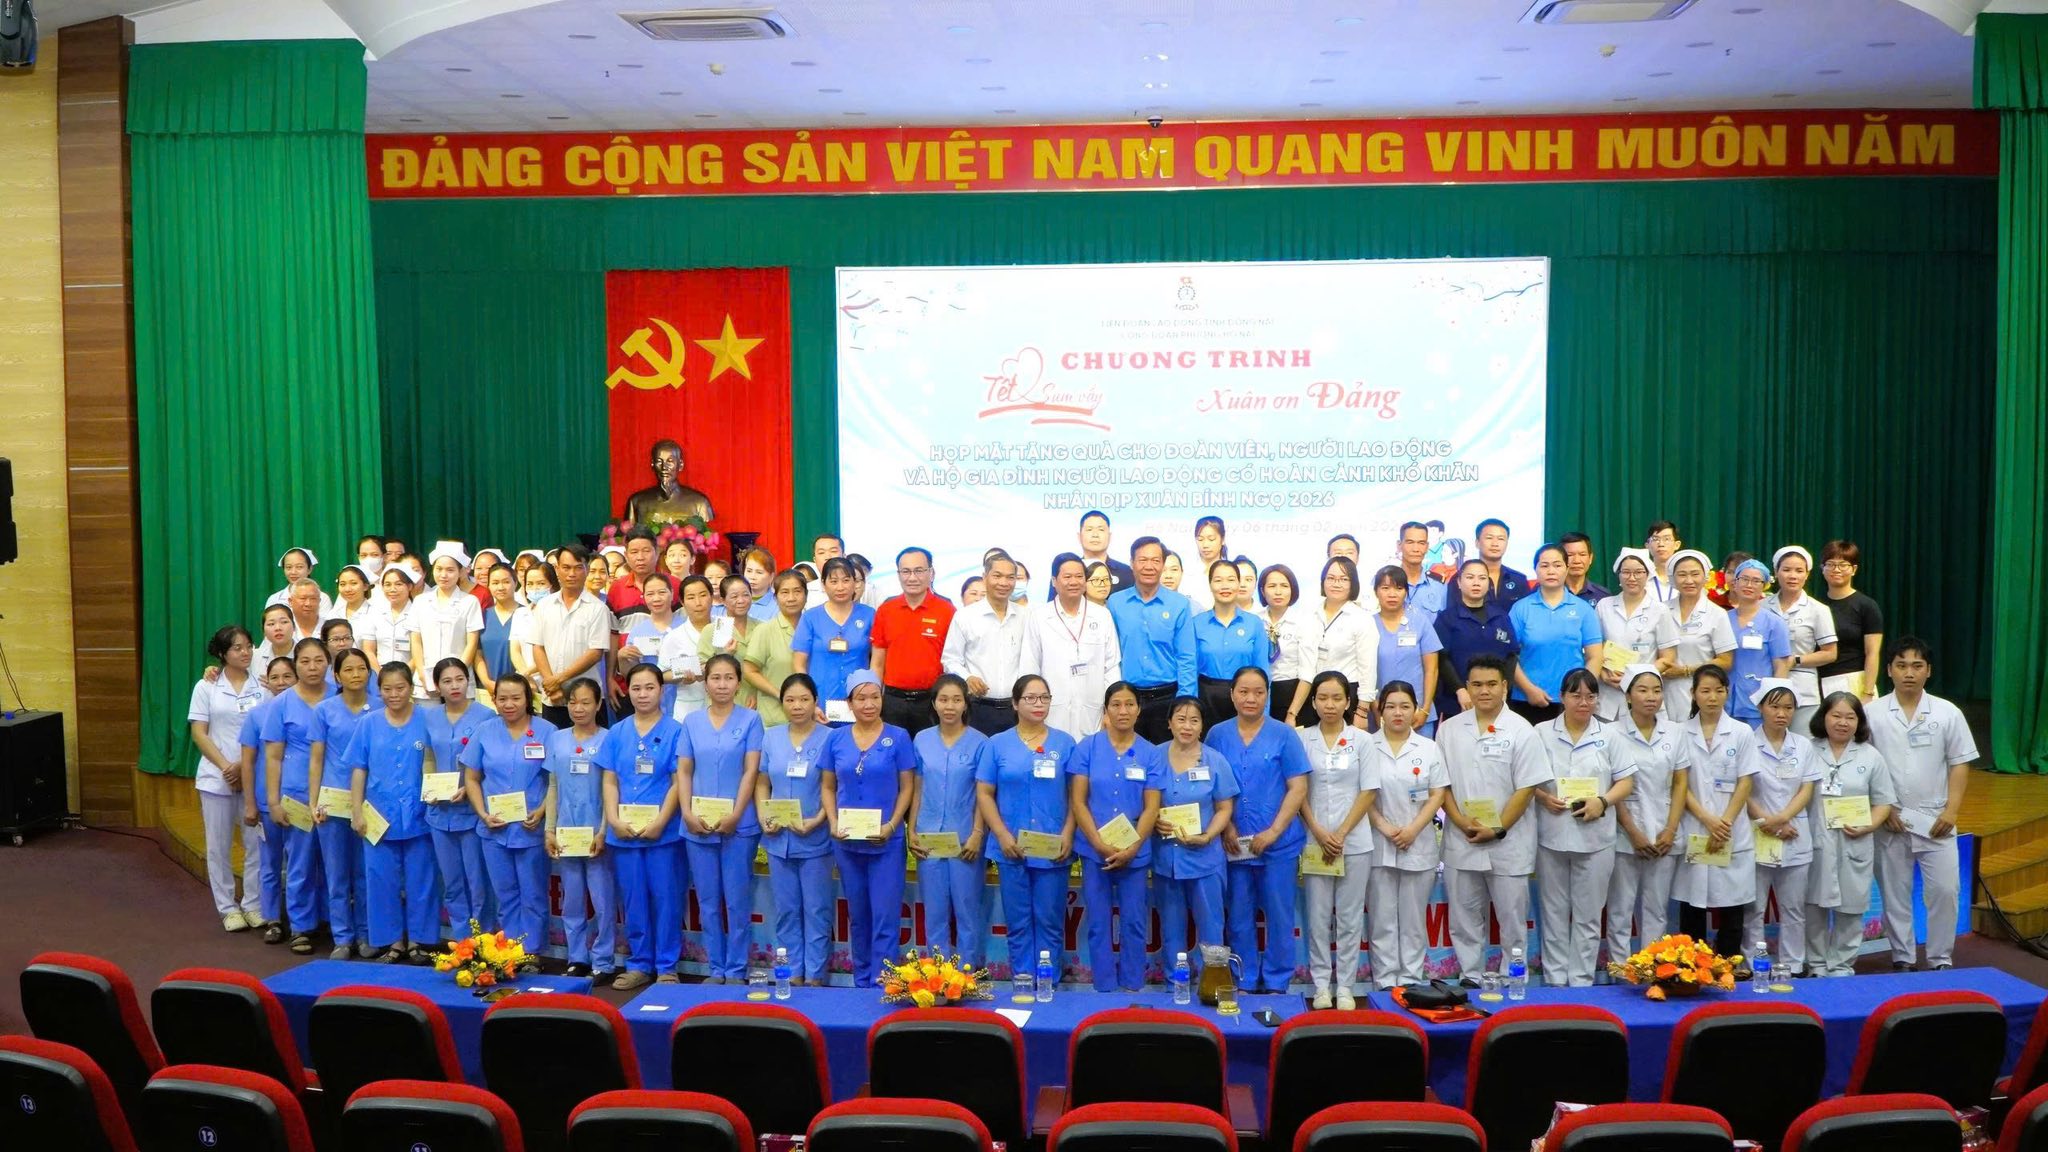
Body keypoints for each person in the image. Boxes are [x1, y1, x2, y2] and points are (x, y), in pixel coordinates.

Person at [1438, 654, 1551, 982]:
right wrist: (1459, 821)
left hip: (1508, 842)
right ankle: (1470, 976)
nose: (1484, 691)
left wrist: (1498, 828)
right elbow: (1441, 784)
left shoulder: (1522, 730)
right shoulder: (1449, 729)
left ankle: (1514, 979)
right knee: (1464, 917)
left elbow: (1527, 788)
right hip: (1463, 838)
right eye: (1476, 684)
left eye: (1491, 684)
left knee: (1512, 920)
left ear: (1504, 686)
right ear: (1467, 687)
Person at [1870, 636, 1976, 971]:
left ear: (1928, 671)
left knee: (1945, 891)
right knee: (1894, 894)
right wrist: (1883, 808)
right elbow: (1864, 765)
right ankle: (1902, 957)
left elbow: (1960, 762)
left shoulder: (1947, 712)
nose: (1909, 673)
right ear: (1889, 670)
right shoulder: (1871, 713)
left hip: (1936, 819)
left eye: (1917, 666)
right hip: (1891, 819)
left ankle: (1940, 958)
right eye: (1901, 665)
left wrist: (1952, 810)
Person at [1207, 666, 1313, 994]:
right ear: (1232, 695)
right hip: (1234, 844)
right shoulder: (1217, 735)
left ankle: (1278, 981)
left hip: (1279, 845)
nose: (1250, 698)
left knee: (1280, 915)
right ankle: (1245, 978)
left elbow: (1298, 787)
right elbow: (1210, 786)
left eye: (1258, 692)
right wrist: (1226, 827)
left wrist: (1274, 832)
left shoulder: (1284, 735)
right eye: (1243, 691)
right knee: (1239, 916)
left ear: (1268, 695)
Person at [1532, 669, 1635, 987]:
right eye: (1576, 695)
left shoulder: (1611, 735)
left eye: (1591, 696)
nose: (1584, 702)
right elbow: (1525, 779)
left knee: (1589, 916)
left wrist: (1603, 802)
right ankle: (1555, 982)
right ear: (1562, 697)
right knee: (1554, 913)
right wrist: (1543, 797)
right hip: (1552, 835)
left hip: (1596, 838)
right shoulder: (1541, 733)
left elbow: (1626, 782)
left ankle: (1580, 982)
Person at [975, 673, 1078, 982]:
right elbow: (984, 793)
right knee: (1018, 922)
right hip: (1011, 848)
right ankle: (1022, 982)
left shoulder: (1065, 743)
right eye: (1030, 698)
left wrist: (1068, 833)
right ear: (1015, 703)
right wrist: (1002, 835)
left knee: (1050, 921)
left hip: (1052, 849)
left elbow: (1076, 795)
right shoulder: (997, 744)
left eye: (1044, 697)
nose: (1038, 703)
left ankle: (1048, 984)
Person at [819, 671, 918, 986]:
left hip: (886, 842)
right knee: (858, 917)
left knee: (885, 918)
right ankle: (861, 981)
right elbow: (827, 787)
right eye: (861, 698)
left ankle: (883, 982)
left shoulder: (898, 737)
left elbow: (907, 787)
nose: (869, 704)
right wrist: (833, 822)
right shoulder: (835, 739)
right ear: (849, 703)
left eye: (874, 697)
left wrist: (893, 824)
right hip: (847, 843)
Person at [341, 661, 440, 963]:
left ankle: (420, 941)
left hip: (420, 814)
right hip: (378, 816)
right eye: (387, 689)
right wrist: (356, 812)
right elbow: (359, 769)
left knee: (422, 880)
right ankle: (392, 942)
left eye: (400, 688)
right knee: (381, 881)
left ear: (411, 688)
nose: (394, 694)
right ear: (379, 690)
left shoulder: (428, 720)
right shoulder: (368, 723)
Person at [677, 654, 765, 983]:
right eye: (716, 678)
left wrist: (736, 814)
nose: (722, 684)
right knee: (708, 901)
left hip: (739, 826)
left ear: (739, 683)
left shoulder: (751, 720)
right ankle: (716, 969)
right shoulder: (692, 722)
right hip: (697, 825)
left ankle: (737, 969)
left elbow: (751, 771)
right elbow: (684, 771)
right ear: (705, 683)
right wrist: (686, 812)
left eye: (729, 678)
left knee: (737, 900)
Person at [1068, 681, 1160, 991]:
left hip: (1135, 852)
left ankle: (1133, 984)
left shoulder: (1150, 753)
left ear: (1139, 709)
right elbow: (1078, 801)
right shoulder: (1087, 748)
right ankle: (1104, 986)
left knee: (1134, 922)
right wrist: (1097, 843)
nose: (1123, 710)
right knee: (1098, 921)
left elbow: (1151, 807)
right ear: (1106, 710)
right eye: (1116, 704)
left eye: (1129, 704)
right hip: (1094, 850)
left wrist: (1133, 847)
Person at [601, 663, 685, 989]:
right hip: (623, 833)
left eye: (650, 687)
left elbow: (679, 782)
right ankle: (639, 964)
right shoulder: (617, 732)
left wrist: (661, 821)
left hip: (663, 833)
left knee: (666, 899)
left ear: (661, 690)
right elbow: (610, 780)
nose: (643, 694)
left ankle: (667, 966)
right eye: (636, 688)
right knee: (633, 899)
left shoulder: (676, 731)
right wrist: (613, 819)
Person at [459, 676, 557, 955]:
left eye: (516, 698)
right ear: (494, 700)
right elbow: (472, 778)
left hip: (531, 828)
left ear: (528, 699)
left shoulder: (547, 731)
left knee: (533, 894)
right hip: (494, 830)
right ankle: (510, 953)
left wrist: (542, 811)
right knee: (505, 894)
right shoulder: (485, 731)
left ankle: (532, 952)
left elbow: (555, 781)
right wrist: (483, 814)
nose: (509, 704)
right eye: (502, 699)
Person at [1804, 692, 1896, 977]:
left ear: (1859, 721)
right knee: (1813, 906)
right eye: (1836, 715)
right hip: (1816, 840)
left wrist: (1869, 825)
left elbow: (1883, 802)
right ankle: (1816, 964)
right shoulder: (1807, 750)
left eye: (1850, 717)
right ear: (1823, 717)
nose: (1842, 722)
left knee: (1851, 908)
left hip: (1855, 841)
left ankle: (1841, 965)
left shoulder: (1871, 756)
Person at [1366, 680, 1449, 991]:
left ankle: (1411, 979)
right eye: (1390, 706)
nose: (1397, 713)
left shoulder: (1429, 748)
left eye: (1405, 706)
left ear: (1416, 711)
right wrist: (1385, 827)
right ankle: (1385, 981)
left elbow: (1438, 793)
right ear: (1380, 710)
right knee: (1382, 918)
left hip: (1419, 842)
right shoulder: (1366, 746)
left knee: (1414, 920)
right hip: (1379, 842)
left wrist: (1413, 829)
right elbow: (1362, 796)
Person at [1297, 670, 1374, 1008]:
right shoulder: (1302, 739)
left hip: (1354, 843)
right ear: (1313, 702)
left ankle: (1345, 986)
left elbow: (1369, 791)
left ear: (1348, 702)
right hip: (1315, 840)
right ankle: (1320, 986)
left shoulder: (1363, 740)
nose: (1329, 705)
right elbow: (1298, 791)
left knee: (1349, 917)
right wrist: (1318, 830)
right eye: (1323, 698)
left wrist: (1340, 833)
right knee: (1317, 917)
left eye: (1337, 698)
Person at [1604, 665, 1687, 973]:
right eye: (1642, 690)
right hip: (1625, 832)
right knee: (1621, 908)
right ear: (1627, 696)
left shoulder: (1675, 732)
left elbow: (1681, 782)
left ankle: (1653, 971)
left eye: (1657, 690)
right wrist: (1633, 832)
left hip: (1665, 831)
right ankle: (1621, 972)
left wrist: (1670, 829)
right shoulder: (1611, 733)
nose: (1651, 696)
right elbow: (1613, 786)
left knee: (1656, 909)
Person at [1673, 664, 1759, 958]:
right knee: (1692, 906)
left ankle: (1728, 966)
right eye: (1705, 691)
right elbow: (1680, 784)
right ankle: (1692, 969)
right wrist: (1707, 819)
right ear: (1693, 693)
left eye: (1719, 691)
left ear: (1727, 692)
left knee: (1733, 906)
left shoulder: (1742, 732)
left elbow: (1746, 781)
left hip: (1730, 828)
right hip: (1696, 826)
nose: (1712, 697)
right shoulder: (1679, 732)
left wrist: (1725, 822)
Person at [189, 625, 269, 932]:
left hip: (253, 774)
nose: (245, 652)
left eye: (248, 646)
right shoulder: (206, 686)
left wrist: (243, 767)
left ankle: (253, 904)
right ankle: (227, 908)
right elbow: (199, 733)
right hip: (216, 777)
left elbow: (267, 734)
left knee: (256, 844)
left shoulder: (262, 686)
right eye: (237, 648)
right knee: (218, 846)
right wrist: (227, 767)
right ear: (222, 654)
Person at [756, 673, 834, 984]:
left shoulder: (829, 738)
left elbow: (834, 788)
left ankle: (815, 976)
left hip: (815, 838)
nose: (797, 706)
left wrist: (819, 819)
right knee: (786, 910)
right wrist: (763, 815)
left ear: (815, 702)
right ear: (782, 703)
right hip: (778, 840)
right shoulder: (771, 737)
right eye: (790, 700)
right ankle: (792, 975)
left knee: (817, 910)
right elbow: (762, 782)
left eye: (804, 699)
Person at [1149, 696, 1239, 963]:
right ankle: (1173, 981)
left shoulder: (1215, 761)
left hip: (1205, 858)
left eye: (1194, 720)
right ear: (1169, 723)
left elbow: (1224, 808)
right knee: (1171, 930)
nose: (1187, 726)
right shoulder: (1154, 757)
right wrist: (1152, 819)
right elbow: (1144, 801)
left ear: (1202, 726)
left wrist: (1208, 836)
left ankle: (1212, 982)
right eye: (1181, 719)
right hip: (1166, 859)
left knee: (1212, 928)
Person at [539, 678, 616, 981]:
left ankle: (604, 961)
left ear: (598, 705)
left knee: (603, 900)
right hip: (567, 834)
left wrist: (604, 830)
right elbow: (553, 786)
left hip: (597, 833)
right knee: (571, 900)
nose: (578, 708)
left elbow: (613, 789)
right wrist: (549, 829)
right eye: (572, 702)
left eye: (586, 702)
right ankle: (577, 958)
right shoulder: (557, 739)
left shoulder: (609, 739)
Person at [1743, 678, 1821, 976]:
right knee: (1754, 908)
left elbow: (1806, 789)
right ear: (1760, 708)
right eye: (1774, 707)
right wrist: (1770, 823)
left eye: (1788, 708)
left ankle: (1792, 964)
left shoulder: (1803, 745)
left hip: (1794, 834)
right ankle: (1754, 965)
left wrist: (1782, 818)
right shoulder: (1746, 742)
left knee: (1793, 909)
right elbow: (1743, 791)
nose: (1781, 714)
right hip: (1757, 835)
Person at [911, 675, 989, 967]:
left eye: (957, 700)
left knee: (967, 911)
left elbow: (983, 793)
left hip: (965, 840)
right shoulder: (921, 739)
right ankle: (938, 976)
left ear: (966, 704)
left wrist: (978, 833)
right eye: (943, 699)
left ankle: (967, 975)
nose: (950, 706)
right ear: (934, 703)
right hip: (929, 838)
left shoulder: (981, 743)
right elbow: (917, 788)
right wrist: (912, 830)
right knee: (934, 913)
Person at [306, 647, 376, 959]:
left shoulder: (379, 708)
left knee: (365, 874)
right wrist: (313, 802)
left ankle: (366, 934)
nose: (356, 675)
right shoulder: (324, 711)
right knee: (336, 874)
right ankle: (342, 938)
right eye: (348, 669)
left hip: (370, 803)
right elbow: (316, 759)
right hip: (333, 803)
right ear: (336, 676)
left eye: (361, 668)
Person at [423, 658, 493, 938]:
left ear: (468, 681)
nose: (454, 686)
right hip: (439, 814)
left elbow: (492, 763)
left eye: (460, 679)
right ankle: (462, 941)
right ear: (437, 686)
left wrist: (471, 789)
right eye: (447, 681)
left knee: (478, 882)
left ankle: (484, 940)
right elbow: (428, 756)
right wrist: (428, 786)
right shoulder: (429, 717)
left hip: (472, 812)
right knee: (451, 882)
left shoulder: (486, 717)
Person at [1023, 553, 1121, 739]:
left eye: (1079, 576)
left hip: (1093, 713)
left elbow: (1111, 667)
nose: (1074, 582)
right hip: (1051, 714)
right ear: (1054, 581)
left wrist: (1111, 711)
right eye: (1067, 577)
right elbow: (1030, 667)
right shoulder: (1039, 617)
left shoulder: (1102, 616)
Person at [1507, 543, 1603, 725]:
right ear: (1535, 569)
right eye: (1544, 565)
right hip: (1527, 699)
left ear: (1567, 568)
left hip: (1572, 702)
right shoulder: (1520, 608)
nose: (1551, 571)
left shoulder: (1583, 609)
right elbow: (1509, 656)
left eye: (1557, 565)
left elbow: (1595, 656)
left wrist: (1581, 692)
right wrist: (1529, 690)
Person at [239, 654, 299, 942]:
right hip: (265, 802)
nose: (281, 682)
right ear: (267, 682)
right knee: (270, 863)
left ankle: (302, 922)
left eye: (287, 676)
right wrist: (251, 803)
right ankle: (273, 918)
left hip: (299, 801)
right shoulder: (256, 715)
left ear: (297, 678)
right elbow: (248, 763)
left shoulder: (308, 712)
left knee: (301, 865)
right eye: (275, 677)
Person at [870, 546, 956, 735]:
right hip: (893, 700)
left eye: (919, 571)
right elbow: (877, 662)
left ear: (931, 573)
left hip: (932, 701)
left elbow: (953, 660)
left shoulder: (947, 611)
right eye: (906, 571)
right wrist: (875, 697)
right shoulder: (886, 610)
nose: (912, 578)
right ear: (898, 574)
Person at [1283, 557, 1376, 729]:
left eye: (1344, 579)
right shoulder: (1309, 614)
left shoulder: (1362, 619)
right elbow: (1306, 666)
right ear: (1323, 581)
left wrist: (1362, 711)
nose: (1336, 584)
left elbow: (1367, 670)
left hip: (1346, 696)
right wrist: (1293, 711)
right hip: (1313, 694)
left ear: (1353, 584)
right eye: (1331, 578)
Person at [941, 551, 1027, 735]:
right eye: (997, 576)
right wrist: (967, 678)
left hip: (1017, 709)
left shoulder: (1026, 616)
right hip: (977, 708)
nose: (1004, 583)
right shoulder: (965, 616)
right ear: (984, 577)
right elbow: (950, 659)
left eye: (1010, 577)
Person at [531, 545, 615, 729]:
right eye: (566, 567)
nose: (571, 574)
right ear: (557, 569)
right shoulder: (544, 606)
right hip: (553, 697)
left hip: (587, 699)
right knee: (554, 743)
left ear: (587, 569)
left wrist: (558, 680)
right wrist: (551, 685)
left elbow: (595, 653)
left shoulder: (598, 608)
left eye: (578, 567)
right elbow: (538, 647)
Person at [1431, 559, 1520, 724]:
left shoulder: (1500, 617)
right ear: (1459, 582)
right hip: (1458, 701)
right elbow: (1442, 659)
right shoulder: (1447, 618)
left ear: (1488, 583)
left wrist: (1504, 689)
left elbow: (1511, 656)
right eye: (1470, 577)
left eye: (1482, 578)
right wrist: (1459, 690)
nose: (1476, 583)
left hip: (1496, 701)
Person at [1595, 550, 1679, 722]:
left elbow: (1668, 657)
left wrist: (1636, 678)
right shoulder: (1604, 606)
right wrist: (1602, 673)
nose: (1632, 578)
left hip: (1645, 695)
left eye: (1638, 572)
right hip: (1608, 695)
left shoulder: (1660, 610)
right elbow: (1594, 648)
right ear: (1618, 575)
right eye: (1626, 572)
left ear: (1648, 575)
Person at [792, 556, 878, 722]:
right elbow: (799, 664)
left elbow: (877, 661)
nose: (840, 587)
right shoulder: (810, 617)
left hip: (860, 703)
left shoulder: (869, 615)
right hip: (820, 702)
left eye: (846, 580)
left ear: (854, 583)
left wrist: (872, 698)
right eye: (833, 581)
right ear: (823, 584)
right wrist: (809, 702)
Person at [1769, 546, 1841, 732]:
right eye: (1786, 570)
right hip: (1766, 687)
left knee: (1802, 744)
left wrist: (1795, 660)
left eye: (1799, 571)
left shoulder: (1818, 610)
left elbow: (1830, 653)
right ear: (1776, 572)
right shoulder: (1762, 606)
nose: (1793, 576)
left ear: (1807, 574)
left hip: (1803, 691)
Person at [1194, 561, 1270, 730]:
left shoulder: (1254, 623)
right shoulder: (1196, 623)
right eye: (1218, 580)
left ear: (1238, 583)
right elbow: (1190, 670)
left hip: (1245, 697)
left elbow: (1263, 672)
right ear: (1210, 584)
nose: (1225, 586)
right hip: (1207, 698)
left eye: (1230, 580)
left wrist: (1265, 712)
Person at [1662, 550, 1736, 721]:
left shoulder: (1717, 614)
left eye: (1695, 574)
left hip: (1701, 691)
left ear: (1705, 577)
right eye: (1682, 575)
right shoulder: (1661, 610)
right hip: (1662, 691)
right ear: (1673, 578)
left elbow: (1726, 661)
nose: (1689, 580)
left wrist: (1685, 671)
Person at [1369, 565, 1443, 736]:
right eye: (1385, 588)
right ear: (1376, 591)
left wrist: (1424, 709)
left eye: (1399, 588)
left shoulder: (1420, 621)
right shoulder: (1367, 624)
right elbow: (1364, 672)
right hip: (1380, 712)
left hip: (1418, 713)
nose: (1392, 594)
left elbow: (1432, 670)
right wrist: (1375, 708)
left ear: (1406, 592)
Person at [1725, 560, 1793, 729]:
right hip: (1725, 702)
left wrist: (1775, 705)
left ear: (1764, 586)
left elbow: (1781, 667)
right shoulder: (1722, 619)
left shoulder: (1774, 623)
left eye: (1756, 581)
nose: (1749, 585)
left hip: (1758, 702)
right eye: (1744, 579)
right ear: (1735, 583)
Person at [412, 545, 484, 702]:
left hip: (459, 681)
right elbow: (416, 641)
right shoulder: (420, 601)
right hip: (426, 680)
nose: (443, 575)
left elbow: (472, 643)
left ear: (460, 572)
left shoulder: (470, 602)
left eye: (450, 570)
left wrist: (456, 676)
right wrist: (423, 674)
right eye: (439, 569)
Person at [1817, 540, 1884, 703]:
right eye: (1830, 564)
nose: (1836, 569)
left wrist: (1867, 692)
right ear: (1822, 569)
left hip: (1855, 681)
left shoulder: (1867, 605)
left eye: (1843, 565)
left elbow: (1872, 653)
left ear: (1854, 569)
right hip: (1818, 683)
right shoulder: (1815, 605)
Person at [744, 569, 806, 727]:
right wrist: (780, 694)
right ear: (775, 597)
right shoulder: (765, 630)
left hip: (811, 718)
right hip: (775, 717)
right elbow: (749, 671)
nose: (791, 598)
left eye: (797, 591)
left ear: (806, 595)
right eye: (784, 592)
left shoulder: (815, 628)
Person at [657, 575, 716, 721]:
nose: (698, 603)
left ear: (712, 597)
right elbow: (661, 674)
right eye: (691, 597)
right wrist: (682, 675)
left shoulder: (723, 628)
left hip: (725, 705)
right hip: (689, 708)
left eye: (703, 595)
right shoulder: (674, 637)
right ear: (682, 602)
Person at [1258, 565, 1310, 725]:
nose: (1278, 592)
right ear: (1262, 591)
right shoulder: (1255, 621)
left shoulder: (1304, 622)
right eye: (1272, 586)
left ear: (1293, 589)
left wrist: (1292, 714)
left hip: (1293, 693)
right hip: (1259, 693)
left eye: (1284, 586)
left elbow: (1307, 673)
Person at [699, 575, 761, 709]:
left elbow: (768, 667)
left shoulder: (761, 628)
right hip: (722, 702)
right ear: (723, 600)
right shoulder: (712, 630)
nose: (741, 600)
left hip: (756, 700)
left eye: (746, 595)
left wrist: (757, 693)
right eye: (734, 596)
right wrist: (724, 655)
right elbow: (702, 670)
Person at [476, 564, 521, 697]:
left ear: (515, 583)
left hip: (520, 689)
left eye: (506, 582)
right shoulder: (482, 616)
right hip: (487, 690)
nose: (501, 587)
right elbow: (477, 654)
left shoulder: (526, 614)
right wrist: (487, 682)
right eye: (495, 583)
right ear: (489, 586)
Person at [606, 529, 670, 619]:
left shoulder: (673, 584)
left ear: (657, 553)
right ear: (626, 556)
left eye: (646, 551)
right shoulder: (617, 588)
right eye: (634, 552)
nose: (640, 557)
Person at [1077, 509, 1136, 593]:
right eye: (1089, 530)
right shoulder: (1069, 571)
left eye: (1101, 530)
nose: (1095, 535)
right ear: (1079, 536)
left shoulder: (1127, 573)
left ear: (1109, 536)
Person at [1395, 522, 1447, 616]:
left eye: (1421, 543)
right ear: (1399, 545)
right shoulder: (1384, 582)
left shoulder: (1439, 585)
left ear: (1427, 547)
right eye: (1410, 542)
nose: (1416, 549)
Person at [1474, 519, 1530, 606]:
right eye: (1489, 538)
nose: (1495, 544)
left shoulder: (1519, 580)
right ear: (1477, 543)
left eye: (1501, 539)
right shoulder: (1462, 579)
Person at [267, 547, 334, 615]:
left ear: (309, 569)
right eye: (288, 567)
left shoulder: (322, 598)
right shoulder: (274, 599)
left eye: (299, 567)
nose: (293, 572)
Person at [1184, 516, 1228, 613]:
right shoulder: (1185, 572)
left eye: (1211, 539)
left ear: (1223, 539)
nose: (1205, 545)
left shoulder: (1232, 571)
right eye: (1200, 539)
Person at [1559, 532, 1611, 605]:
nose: (1577, 561)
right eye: (1570, 555)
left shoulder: (1603, 596)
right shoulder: (1550, 593)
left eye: (1582, 554)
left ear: (1590, 558)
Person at [331, 564, 377, 640]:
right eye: (342, 584)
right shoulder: (333, 614)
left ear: (365, 586)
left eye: (353, 583)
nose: (347, 589)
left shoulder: (375, 614)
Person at [1645, 521, 1683, 602]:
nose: (1661, 544)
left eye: (1667, 539)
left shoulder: (1684, 577)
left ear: (1677, 545)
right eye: (1655, 539)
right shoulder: (1641, 577)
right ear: (1647, 546)